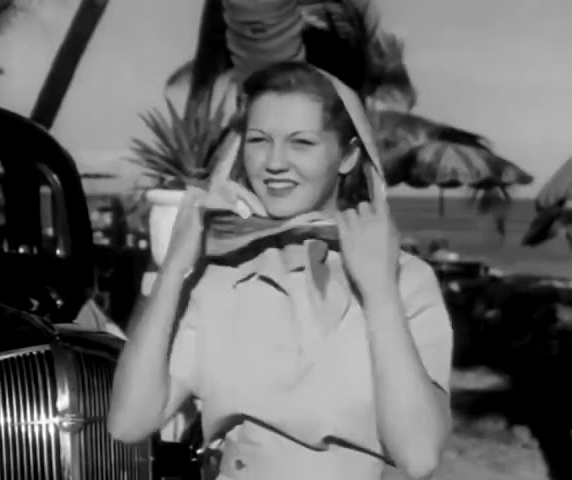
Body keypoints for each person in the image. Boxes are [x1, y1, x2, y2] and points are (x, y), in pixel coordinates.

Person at [108, 62, 453, 480]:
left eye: (301, 142)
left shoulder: (405, 280)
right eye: (258, 140)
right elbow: (128, 423)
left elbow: (419, 457)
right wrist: (173, 266)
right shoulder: (219, 276)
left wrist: (379, 292)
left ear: (347, 155)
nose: (274, 162)